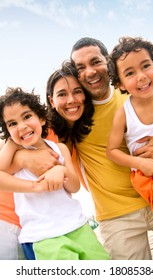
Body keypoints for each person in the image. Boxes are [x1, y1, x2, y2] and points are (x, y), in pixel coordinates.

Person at [8, 38, 153, 260]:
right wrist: (23, 159)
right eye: (81, 68)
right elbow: (16, 140)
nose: (90, 72)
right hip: (116, 215)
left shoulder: (135, 94)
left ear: (109, 63)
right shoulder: (67, 121)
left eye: (95, 62)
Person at [0, 87, 109, 260]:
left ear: (42, 118)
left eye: (27, 116)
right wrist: (12, 143)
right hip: (42, 237)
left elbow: (74, 186)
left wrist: (61, 169)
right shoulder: (13, 153)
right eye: (12, 123)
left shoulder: (60, 149)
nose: (21, 126)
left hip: (77, 226)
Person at [106, 36, 153, 230]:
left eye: (146, 66)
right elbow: (112, 151)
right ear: (120, 84)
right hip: (151, 174)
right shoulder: (123, 114)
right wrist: (140, 162)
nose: (141, 76)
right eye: (130, 73)